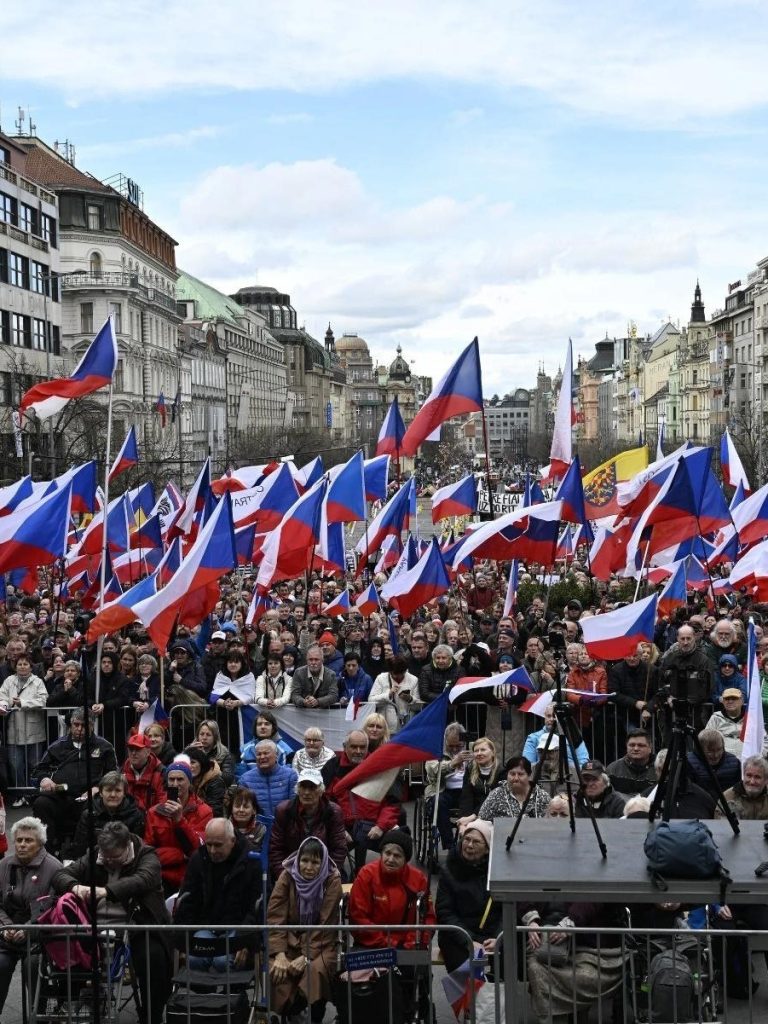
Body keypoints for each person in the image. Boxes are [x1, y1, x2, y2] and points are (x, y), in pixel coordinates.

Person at [52, 821, 172, 1024]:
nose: (108, 862)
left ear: (127, 846)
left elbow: (144, 879)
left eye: (114, 857)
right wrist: (74, 887)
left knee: (154, 960)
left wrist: (107, 891)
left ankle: (151, 1015)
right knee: (66, 954)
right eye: (105, 857)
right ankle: (70, 1009)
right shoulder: (95, 854)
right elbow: (61, 875)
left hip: (137, 925)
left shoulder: (146, 855)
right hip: (94, 926)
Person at [348, 829, 435, 1018]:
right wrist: (387, 944)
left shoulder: (418, 879)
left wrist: (411, 942)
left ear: (406, 859)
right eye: (387, 853)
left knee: (418, 970)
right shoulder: (366, 874)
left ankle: (409, 1012)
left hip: (407, 944)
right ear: (381, 853)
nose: (391, 859)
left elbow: (428, 918)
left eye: (397, 855)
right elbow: (358, 917)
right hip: (371, 944)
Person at [267, 837, 342, 1024]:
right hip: (288, 939)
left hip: (321, 943)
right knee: (276, 969)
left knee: (317, 969)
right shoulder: (287, 875)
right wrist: (279, 953)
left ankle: (312, 1014)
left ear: (322, 863)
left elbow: (327, 923)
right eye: (304, 861)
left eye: (315, 862)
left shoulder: (332, 879)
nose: (309, 867)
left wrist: (307, 955)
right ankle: (288, 1012)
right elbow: (275, 916)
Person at [174, 818, 263, 972]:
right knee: (194, 959)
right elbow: (187, 901)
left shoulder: (252, 860)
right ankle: (203, 995)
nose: (213, 851)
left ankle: (235, 995)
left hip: (238, 927)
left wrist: (247, 941)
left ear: (233, 841)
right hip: (206, 925)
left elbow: (257, 907)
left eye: (218, 845)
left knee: (223, 961)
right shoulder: (199, 858)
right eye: (209, 845)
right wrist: (183, 942)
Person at [31, 708, 118, 854]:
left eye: (83, 725)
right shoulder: (57, 746)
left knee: (92, 808)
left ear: (92, 725)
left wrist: (99, 788)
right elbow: (38, 770)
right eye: (76, 724)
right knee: (41, 803)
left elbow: (114, 775)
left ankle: (82, 854)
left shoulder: (105, 747)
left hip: (88, 797)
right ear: (70, 725)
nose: (79, 729)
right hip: (61, 795)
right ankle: (46, 853)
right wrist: (44, 779)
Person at [0, 818, 62, 1017]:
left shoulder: (54, 867)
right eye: (19, 840)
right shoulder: (4, 865)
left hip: (39, 936)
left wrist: (28, 929)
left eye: (28, 840)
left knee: (33, 966)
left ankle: (39, 1016)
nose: (22, 845)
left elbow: (53, 908)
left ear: (40, 843)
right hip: (7, 933)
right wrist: (6, 927)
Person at [326, 730, 401, 874]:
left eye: (362, 747)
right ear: (345, 746)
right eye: (354, 747)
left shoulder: (380, 766)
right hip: (343, 826)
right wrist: (338, 828)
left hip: (374, 826)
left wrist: (381, 826)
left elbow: (392, 803)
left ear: (368, 747)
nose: (358, 751)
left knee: (400, 842)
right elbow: (325, 803)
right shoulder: (332, 767)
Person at [436, 819, 501, 972]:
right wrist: (469, 940)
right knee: (467, 974)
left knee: (509, 963)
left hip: (491, 935)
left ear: (487, 849)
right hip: (458, 935)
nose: (469, 845)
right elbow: (445, 913)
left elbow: (505, 910)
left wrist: (499, 937)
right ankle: (472, 995)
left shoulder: (496, 871)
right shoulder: (449, 870)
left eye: (476, 842)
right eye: (467, 839)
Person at [144, 758, 214, 894]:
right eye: (171, 779)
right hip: (162, 878)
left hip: (192, 877)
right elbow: (148, 854)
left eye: (180, 779)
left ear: (189, 782)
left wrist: (179, 820)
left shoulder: (205, 812)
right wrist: (180, 855)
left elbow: (199, 851)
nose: (175, 784)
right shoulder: (154, 812)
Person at [269, 768, 347, 881]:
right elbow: (276, 848)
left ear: (321, 791)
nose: (306, 792)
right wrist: (284, 875)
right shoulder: (283, 810)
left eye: (312, 788)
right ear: (297, 790)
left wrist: (325, 876)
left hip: (323, 870)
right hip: (290, 870)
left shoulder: (333, 812)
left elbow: (339, 849)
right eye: (303, 787)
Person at [70, 770, 146, 858]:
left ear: (124, 793)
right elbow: (80, 849)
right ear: (101, 793)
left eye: (118, 790)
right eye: (109, 790)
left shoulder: (136, 816)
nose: (113, 795)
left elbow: (137, 851)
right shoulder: (88, 815)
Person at [0, 653, 48, 791]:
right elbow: (2, 696)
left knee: (35, 764)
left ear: (30, 667)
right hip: (14, 730)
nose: (22, 666)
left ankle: (34, 791)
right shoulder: (9, 681)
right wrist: (3, 705)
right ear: (15, 667)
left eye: (25, 664)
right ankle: (21, 793)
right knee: (15, 764)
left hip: (34, 731)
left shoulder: (37, 681)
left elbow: (43, 700)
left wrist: (23, 702)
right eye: (19, 664)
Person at [424, 723, 473, 850]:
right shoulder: (436, 749)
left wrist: (474, 760)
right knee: (437, 802)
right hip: (444, 790)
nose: (455, 749)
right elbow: (431, 770)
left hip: (467, 790)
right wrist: (452, 763)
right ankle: (450, 845)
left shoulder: (472, 747)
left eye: (459, 746)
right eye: (451, 746)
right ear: (445, 740)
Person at [209, 649, 258, 757]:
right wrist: (224, 703)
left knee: (238, 742)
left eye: (236, 662)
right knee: (223, 742)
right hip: (222, 716)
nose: (233, 664)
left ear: (241, 663)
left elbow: (251, 697)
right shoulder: (220, 675)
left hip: (241, 717)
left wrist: (236, 703)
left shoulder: (248, 676)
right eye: (230, 662)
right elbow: (213, 696)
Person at [476, 755, 551, 822]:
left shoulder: (542, 796)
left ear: (529, 775)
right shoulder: (496, 795)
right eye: (512, 774)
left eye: (520, 774)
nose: (516, 778)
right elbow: (481, 821)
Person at [239, 740, 299, 818]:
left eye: (266, 753)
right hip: (257, 827)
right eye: (258, 754)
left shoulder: (290, 775)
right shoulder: (245, 779)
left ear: (276, 755)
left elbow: (294, 807)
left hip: (285, 825)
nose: (262, 757)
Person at [456, 737, 502, 827]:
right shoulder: (470, 770)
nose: (479, 753)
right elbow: (466, 797)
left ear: (492, 752)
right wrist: (464, 823)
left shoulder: (501, 772)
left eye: (483, 750)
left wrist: (472, 817)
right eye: (476, 751)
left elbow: (493, 800)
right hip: (471, 815)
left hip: (493, 815)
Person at [686, 729, 742, 801]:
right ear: (700, 749)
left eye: (719, 749)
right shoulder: (689, 763)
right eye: (710, 751)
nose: (715, 755)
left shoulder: (734, 763)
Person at [368, 655, 419, 731]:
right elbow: (371, 701)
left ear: (405, 671)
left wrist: (410, 699)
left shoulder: (413, 680)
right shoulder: (381, 678)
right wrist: (388, 694)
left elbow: (418, 707)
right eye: (393, 673)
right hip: (385, 727)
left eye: (398, 674)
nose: (395, 676)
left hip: (406, 726)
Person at [121, 731, 166, 813]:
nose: (133, 753)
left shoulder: (161, 774)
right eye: (131, 750)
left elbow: (163, 803)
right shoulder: (121, 774)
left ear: (148, 752)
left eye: (138, 749)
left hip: (152, 819)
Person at [239, 709, 293, 773]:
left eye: (267, 724)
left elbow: (288, 775)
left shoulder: (286, 751)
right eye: (259, 724)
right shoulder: (244, 750)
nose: (263, 727)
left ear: (273, 728)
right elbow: (241, 776)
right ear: (255, 728)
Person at [606, 729, 657, 796]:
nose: (636, 748)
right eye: (632, 745)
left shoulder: (660, 768)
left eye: (641, 745)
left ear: (650, 748)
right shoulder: (613, 769)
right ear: (626, 747)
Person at [718, 755, 768, 820]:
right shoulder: (726, 799)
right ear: (743, 775)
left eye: (757, 777)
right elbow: (719, 826)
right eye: (749, 775)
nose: (752, 782)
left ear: (766, 780)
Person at [188, 719, 235, 786]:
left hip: (216, 789)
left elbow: (228, 779)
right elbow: (178, 770)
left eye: (208, 735)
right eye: (201, 734)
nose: (204, 738)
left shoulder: (224, 753)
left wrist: (215, 771)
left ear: (215, 737)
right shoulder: (190, 750)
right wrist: (187, 752)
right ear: (197, 736)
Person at [184, 746, 226, 817]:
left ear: (202, 764)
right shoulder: (183, 779)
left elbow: (215, 811)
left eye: (192, 762)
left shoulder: (215, 782)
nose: (189, 766)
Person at [225, 785, 267, 854]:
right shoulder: (224, 828)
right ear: (231, 809)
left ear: (254, 810)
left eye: (246, 807)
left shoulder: (261, 829)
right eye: (237, 806)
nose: (241, 810)